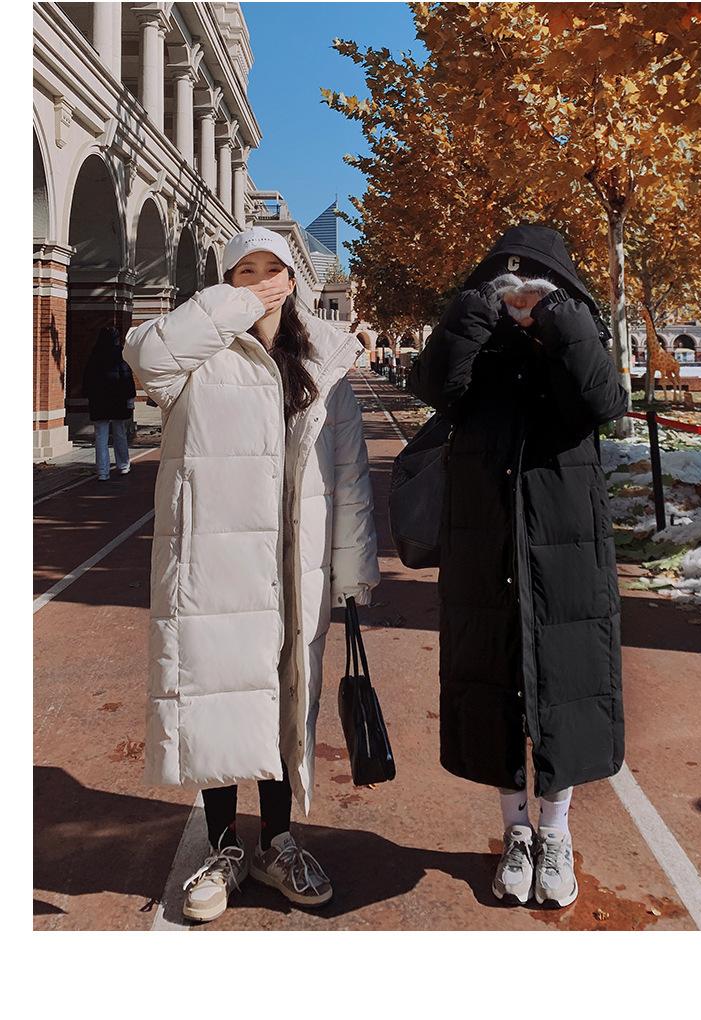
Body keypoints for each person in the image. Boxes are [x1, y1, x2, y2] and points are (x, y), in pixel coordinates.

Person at [123, 227, 379, 923]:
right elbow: (146, 357)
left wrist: (353, 570)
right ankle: (223, 847)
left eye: (273, 269)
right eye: (245, 271)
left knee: (286, 698)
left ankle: (278, 842)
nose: (262, 281)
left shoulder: (325, 358)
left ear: (294, 279)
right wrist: (232, 308)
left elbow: (350, 474)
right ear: (225, 281)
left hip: (295, 563)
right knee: (217, 696)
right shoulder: (195, 357)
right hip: (216, 562)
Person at [407, 222, 629, 909]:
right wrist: (474, 314)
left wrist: (559, 319)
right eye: (506, 281)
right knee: (493, 678)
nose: (520, 293)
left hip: (568, 540)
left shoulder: (577, 335)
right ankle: (517, 832)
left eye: (535, 281)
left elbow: (607, 404)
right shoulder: (477, 343)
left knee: (567, 680)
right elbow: (433, 384)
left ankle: (555, 831)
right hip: (485, 539)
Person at [81, 325, 135, 480]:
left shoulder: (94, 355)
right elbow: (127, 378)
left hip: (99, 401)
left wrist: (88, 396)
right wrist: (130, 398)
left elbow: (87, 379)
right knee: (120, 433)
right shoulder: (121, 355)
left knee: (101, 436)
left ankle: (103, 472)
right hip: (118, 400)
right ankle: (123, 465)